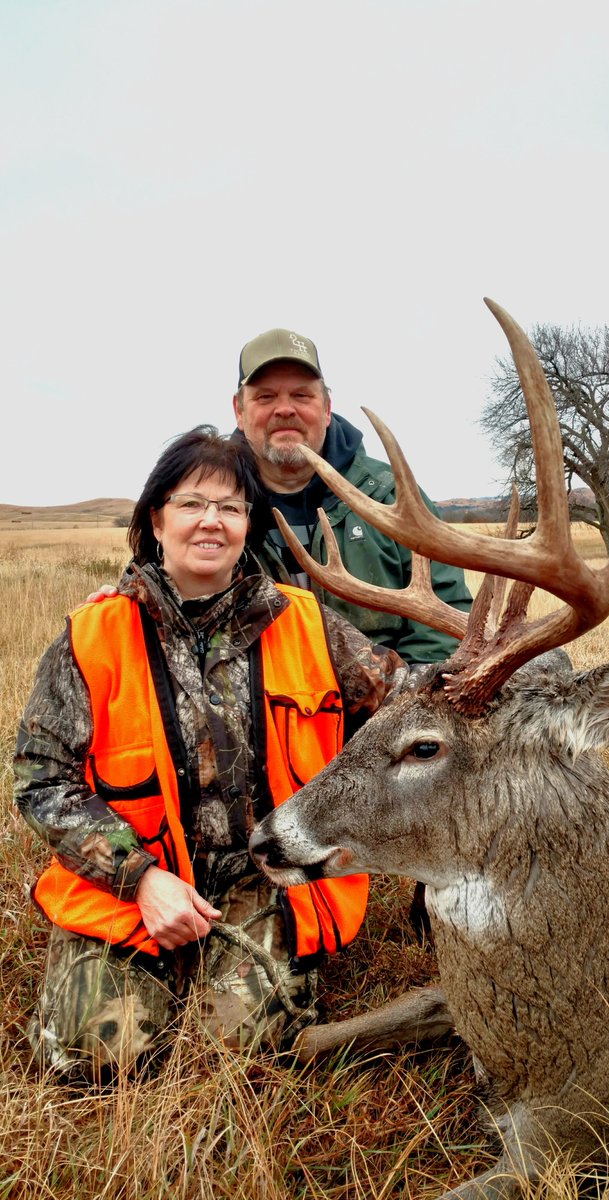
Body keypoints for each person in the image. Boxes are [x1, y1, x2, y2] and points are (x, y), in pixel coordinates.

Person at [14, 427, 406, 1081]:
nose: (210, 521)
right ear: (155, 519)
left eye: (229, 506)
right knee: (97, 1058)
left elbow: (405, 701)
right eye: (191, 502)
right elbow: (41, 779)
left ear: (246, 525)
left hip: (266, 875)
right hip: (134, 879)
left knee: (247, 1052)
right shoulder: (94, 633)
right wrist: (139, 879)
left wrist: (502, 681)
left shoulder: (306, 623)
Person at [232, 328, 473, 665]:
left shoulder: (393, 496)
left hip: (385, 704)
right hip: (258, 706)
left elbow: (445, 623)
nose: (284, 409)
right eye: (265, 397)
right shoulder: (211, 508)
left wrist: (400, 702)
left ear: (327, 408)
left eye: (302, 396)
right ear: (239, 411)